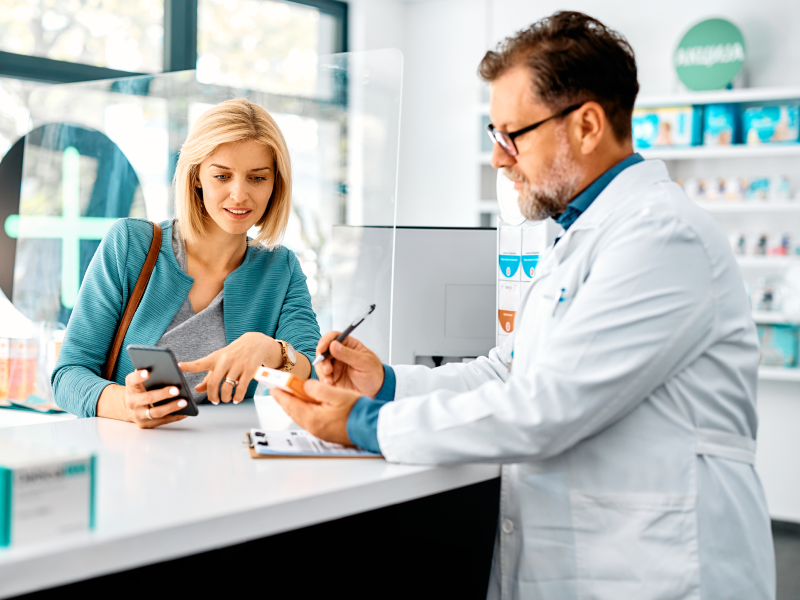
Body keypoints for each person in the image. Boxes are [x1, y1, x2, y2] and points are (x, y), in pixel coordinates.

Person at [272, 12, 776, 600]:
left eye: (513, 134)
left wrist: (362, 424)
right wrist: (383, 384)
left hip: (660, 570)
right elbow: (508, 373)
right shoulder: (578, 237)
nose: (499, 159)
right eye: (494, 136)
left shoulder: (663, 238)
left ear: (587, 125)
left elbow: (546, 407)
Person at [53, 99, 320, 428]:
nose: (239, 195)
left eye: (257, 178)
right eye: (222, 176)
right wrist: (127, 404)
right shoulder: (130, 245)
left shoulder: (281, 269)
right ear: (196, 176)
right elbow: (67, 376)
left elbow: (314, 375)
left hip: (228, 463)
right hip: (131, 458)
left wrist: (268, 350)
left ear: (274, 184)